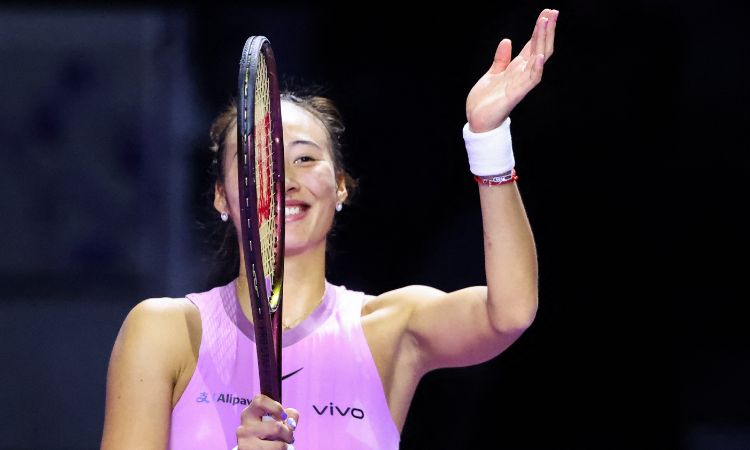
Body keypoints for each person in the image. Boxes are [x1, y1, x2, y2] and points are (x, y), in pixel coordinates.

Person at [100, 7, 558, 450]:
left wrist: (488, 139)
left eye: (305, 157)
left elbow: (511, 313)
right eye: (262, 161)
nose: (286, 180)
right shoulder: (163, 331)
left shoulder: (389, 328)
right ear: (223, 195)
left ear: (340, 187)